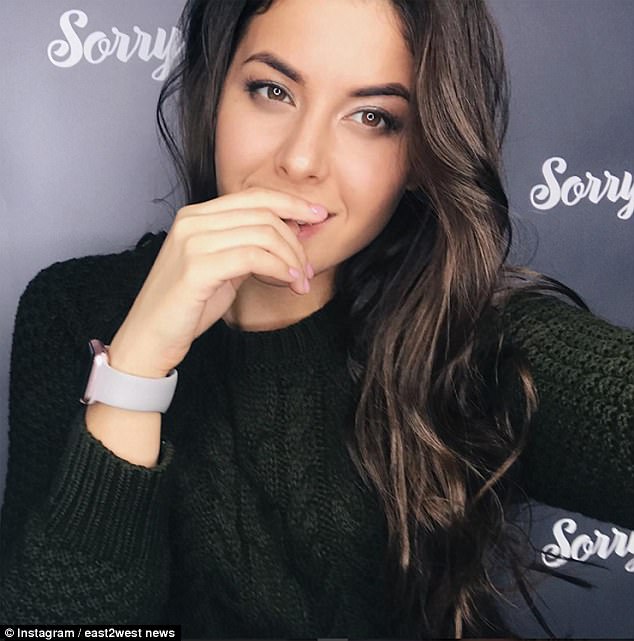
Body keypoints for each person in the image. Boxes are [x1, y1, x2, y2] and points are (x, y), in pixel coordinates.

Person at [0, 0, 632, 637]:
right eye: (273, 90)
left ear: (419, 155)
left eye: (372, 117)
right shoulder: (74, 310)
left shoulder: (471, 338)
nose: (302, 160)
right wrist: (134, 372)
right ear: (216, 93)